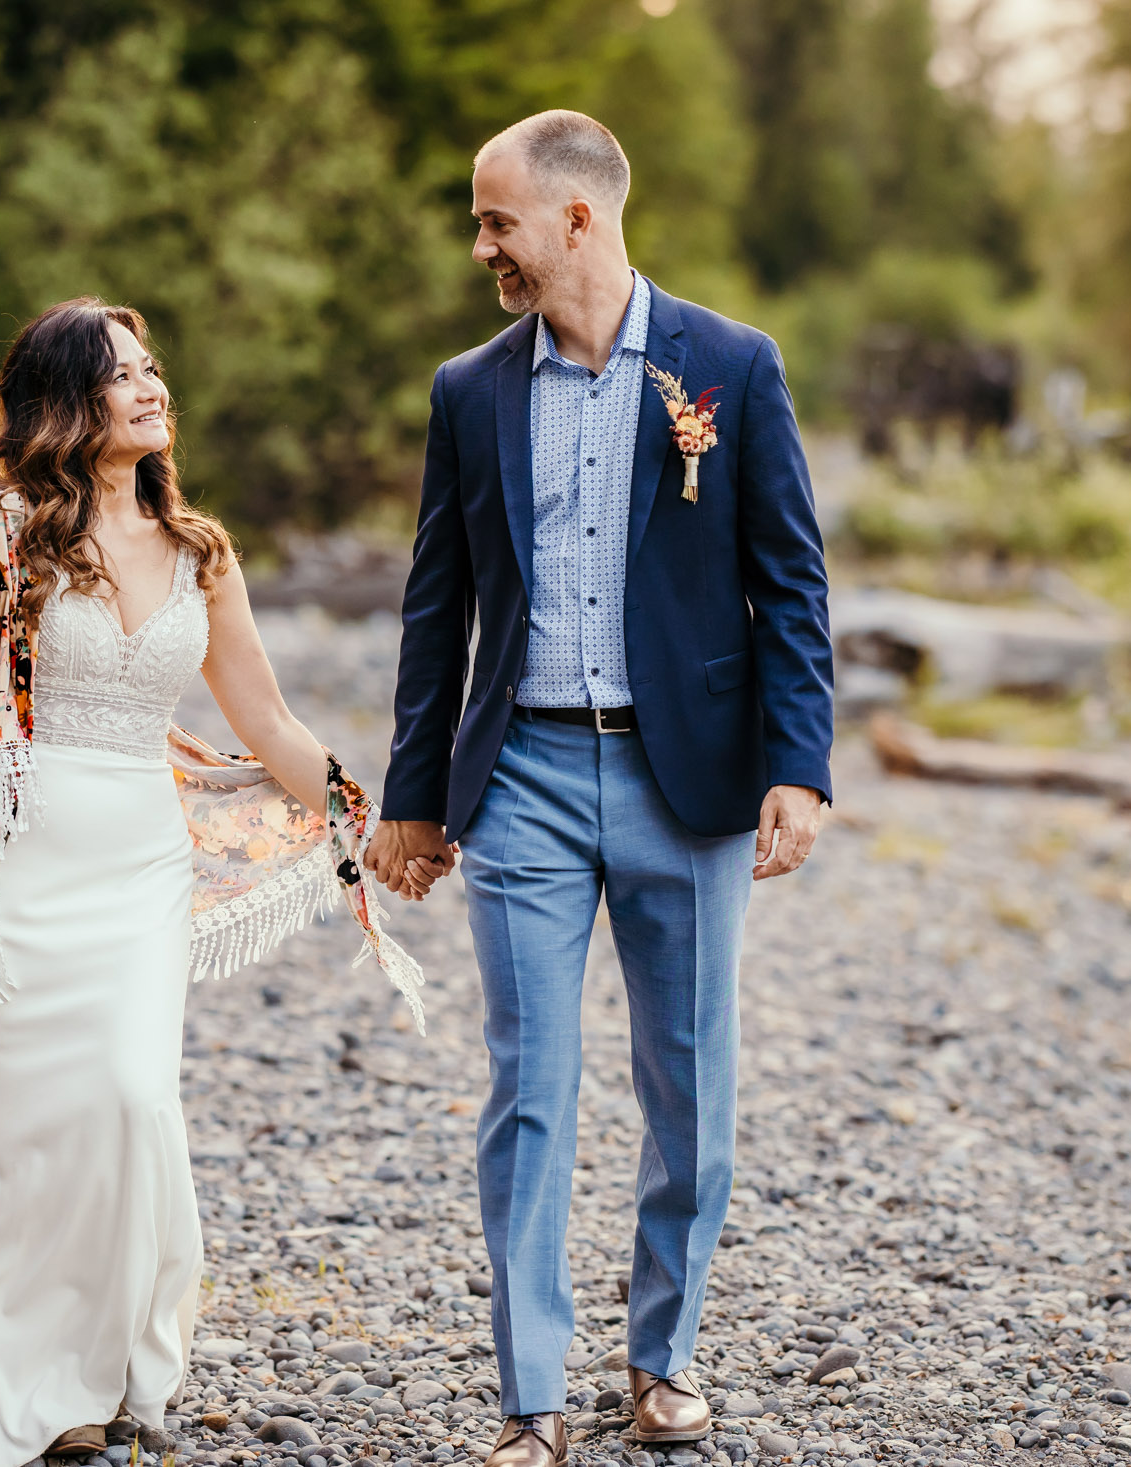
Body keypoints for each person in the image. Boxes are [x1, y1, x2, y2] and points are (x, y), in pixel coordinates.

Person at [363, 111, 835, 1467]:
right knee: (530, 1087)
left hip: (686, 780)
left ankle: (665, 1358)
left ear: (577, 217)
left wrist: (796, 766)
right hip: (520, 779)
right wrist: (416, 792)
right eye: (479, 220)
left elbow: (792, 583)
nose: (481, 246)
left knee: (689, 1085)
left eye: (496, 219)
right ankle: (530, 1398)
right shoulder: (470, 390)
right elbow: (434, 605)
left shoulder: (729, 369)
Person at [0, 298, 413, 1466]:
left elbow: (262, 719)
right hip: (30, 851)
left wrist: (366, 808)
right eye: (125, 375)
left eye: (153, 368)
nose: (154, 388)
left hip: (140, 861)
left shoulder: (200, 552)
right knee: (16, 1117)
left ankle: (98, 1355)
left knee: (126, 1097)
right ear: (70, 404)